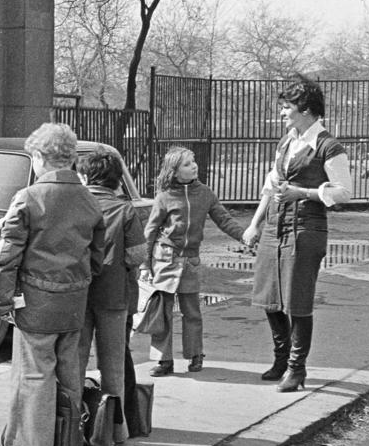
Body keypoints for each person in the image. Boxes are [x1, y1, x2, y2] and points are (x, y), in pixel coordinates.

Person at [0, 123, 108, 446]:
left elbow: (5, 254)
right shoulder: (89, 199)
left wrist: (1, 300)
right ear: (70, 158)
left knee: (34, 373)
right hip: (74, 301)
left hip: (36, 303)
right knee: (70, 372)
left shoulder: (28, 198)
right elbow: (97, 256)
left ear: (40, 157)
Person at [243, 74, 353, 392]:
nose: (282, 113)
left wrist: (303, 192)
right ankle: (280, 359)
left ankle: (296, 368)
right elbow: (271, 185)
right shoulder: (288, 141)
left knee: (297, 301)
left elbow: (344, 192)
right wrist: (254, 224)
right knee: (268, 297)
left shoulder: (329, 147)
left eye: (286, 107)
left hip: (307, 229)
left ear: (304, 109)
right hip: (275, 227)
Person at [140, 146, 251, 376]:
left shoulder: (206, 193)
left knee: (192, 311)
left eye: (194, 162)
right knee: (163, 312)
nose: (194, 166)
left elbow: (224, 219)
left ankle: (195, 354)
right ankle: (164, 360)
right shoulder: (164, 197)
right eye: (188, 164)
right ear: (175, 171)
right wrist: (144, 264)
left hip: (190, 261)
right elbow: (150, 232)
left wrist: (244, 236)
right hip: (166, 259)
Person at [76, 150, 147, 446]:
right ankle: (115, 431)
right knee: (113, 366)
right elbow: (137, 255)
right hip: (115, 295)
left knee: (75, 362)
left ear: (86, 176)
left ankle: (74, 428)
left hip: (78, 295)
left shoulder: (76, 207)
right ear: (116, 178)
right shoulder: (125, 210)